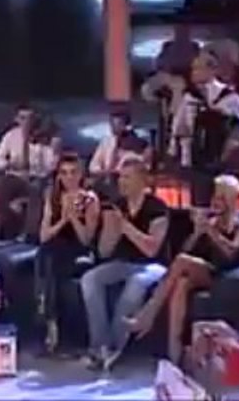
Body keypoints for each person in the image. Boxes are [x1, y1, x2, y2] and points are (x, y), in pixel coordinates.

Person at [126, 174, 239, 362]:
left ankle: (148, 314)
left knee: (182, 261)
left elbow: (231, 253)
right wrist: (197, 233)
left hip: (222, 274)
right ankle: (174, 354)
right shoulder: (210, 223)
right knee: (181, 284)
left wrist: (210, 231)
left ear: (232, 200)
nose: (215, 201)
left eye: (221, 197)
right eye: (215, 196)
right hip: (201, 270)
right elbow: (186, 250)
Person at [79, 157, 168, 372]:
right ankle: (99, 346)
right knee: (90, 279)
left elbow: (151, 249)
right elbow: (104, 251)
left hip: (153, 266)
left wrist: (125, 226)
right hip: (123, 263)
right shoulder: (117, 206)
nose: (121, 182)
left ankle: (114, 347)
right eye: (120, 177)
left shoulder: (157, 208)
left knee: (136, 283)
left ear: (141, 180)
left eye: (127, 177)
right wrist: (110, 228)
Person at [170, 52, 239, 206]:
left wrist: (233, 147)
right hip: (196, 159)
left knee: (223, 199)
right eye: (193, 69)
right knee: (199, 200)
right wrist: (176, 150)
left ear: (212, 71)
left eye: (198, 68)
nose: (193, 73)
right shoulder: (189, 98)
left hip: (225, 161)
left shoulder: (230, 98)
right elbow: (179, 126)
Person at [36, 153, 98, 353]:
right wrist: (63, 219)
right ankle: (52, 322)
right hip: (53, 247)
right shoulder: (52, 196)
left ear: (81, 175)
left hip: (78, 250)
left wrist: (73, 218)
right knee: (45, 255)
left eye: (73, 173)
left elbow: (86, 239)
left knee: (50, 261)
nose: (69, 178)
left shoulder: (90, 199)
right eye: (64, 173)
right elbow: (44, 235)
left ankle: (50, 322)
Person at [0, 104, 57, 239]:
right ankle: (13, 221)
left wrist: (39, 162)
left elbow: (50, 166)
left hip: (37, 177)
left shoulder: (44, 136)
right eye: (22, 118)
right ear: (16, 119)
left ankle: (30, 235)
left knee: (36, 191)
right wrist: (10, 164)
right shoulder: (10, 136)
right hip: (16, 176)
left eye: (30, 118)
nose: (26, 122)